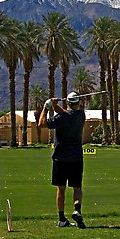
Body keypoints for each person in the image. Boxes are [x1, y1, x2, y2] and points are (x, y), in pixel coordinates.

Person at [38, 91, 86, 228]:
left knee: (61, 188)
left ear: (68, 103)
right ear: (79, 103)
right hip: (76, 158)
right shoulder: (80, 116)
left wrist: (47, 107)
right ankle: (77, 210)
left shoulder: (61, 118)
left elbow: (41, 124)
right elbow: (67, 114)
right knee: (77, 187)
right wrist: (55, 105)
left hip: (60, 158)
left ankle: (62, 219)